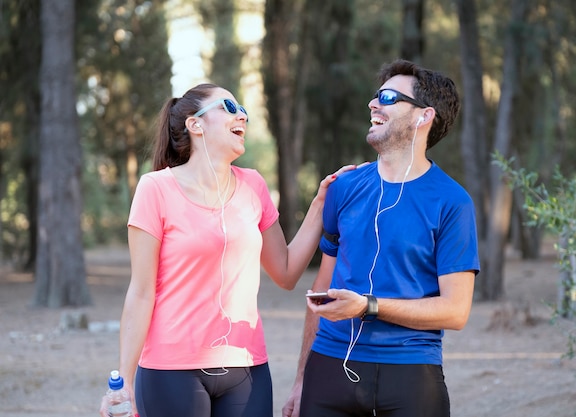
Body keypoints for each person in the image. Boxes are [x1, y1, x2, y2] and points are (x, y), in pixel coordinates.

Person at [98, 83, 354, 417]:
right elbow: (141, 293)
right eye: (229, 108)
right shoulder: (155, 188)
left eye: (243, 109)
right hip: (171, 369)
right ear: (196, 124)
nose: (242, 115)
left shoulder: (254, 185)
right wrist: (126, 381)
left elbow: (287, 272)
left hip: (246, 368)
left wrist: (320, 205)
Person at [282, 59, 480, 417]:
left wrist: (368, 306)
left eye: (389, 97)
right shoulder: (343, 187)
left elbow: (455, 310)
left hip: (410, 374)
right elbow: (322, 286)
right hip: (328, 367)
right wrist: (301, 379)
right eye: (376, 96)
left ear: (424, 116)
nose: (374, 104)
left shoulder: (452, 202)